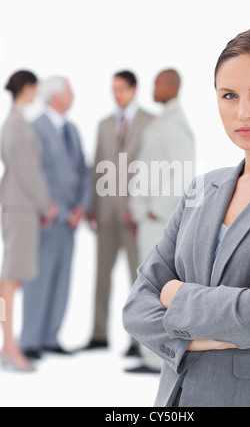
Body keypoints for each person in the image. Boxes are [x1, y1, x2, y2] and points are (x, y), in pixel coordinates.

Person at [123, 28, 250, 407]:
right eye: (229, 96)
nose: (244, 112)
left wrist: (174, 294)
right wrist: (199, 338)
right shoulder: (202, 189)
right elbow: (136, 307)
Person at [125, 69, 195, 374]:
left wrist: (154, 210)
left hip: (159, 221)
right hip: (148, 219)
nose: (153, 89)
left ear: (171, 86)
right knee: (147, 285)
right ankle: (149, 351)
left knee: (155, 286)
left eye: (157, 83)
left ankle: (157, 356)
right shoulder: (163, 119)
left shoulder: (176, 124)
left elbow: (182, 173)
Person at [20, 76, 92, 360]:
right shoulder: (35, 127)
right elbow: (32, 174)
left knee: (62, 278)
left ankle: (51, 337)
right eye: (70, 91)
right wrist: (57, 210)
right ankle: (30, 340)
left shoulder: (71, 129)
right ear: (55, 96)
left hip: (71, 220)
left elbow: (83, 171)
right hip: (46, 219)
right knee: (38, 279)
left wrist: (81, 207)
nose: (74, 96)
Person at [85, 71, 154, 355]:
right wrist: (92, 208)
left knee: (138, 279)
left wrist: (143, 210)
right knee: (102, 275)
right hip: (105, 214)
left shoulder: (150, 122)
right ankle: (99, 334)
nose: (117, 94)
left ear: (134, 89)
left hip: (133, 215)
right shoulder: (103, 125)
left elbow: (151, 169)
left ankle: (138, 341)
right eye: (113, 89)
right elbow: (97, 167)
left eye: (122, 89)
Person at [0, 70, 57, 372]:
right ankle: (8, 345)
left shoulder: (16, 121)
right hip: (20, 205)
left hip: (19, 205)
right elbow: (27, 171)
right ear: (26, 88)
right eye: (35, 88)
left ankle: (7, 342)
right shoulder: (17, 124)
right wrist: (44, 205)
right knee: (10, 279)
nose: (37, 93)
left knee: (12, 278)